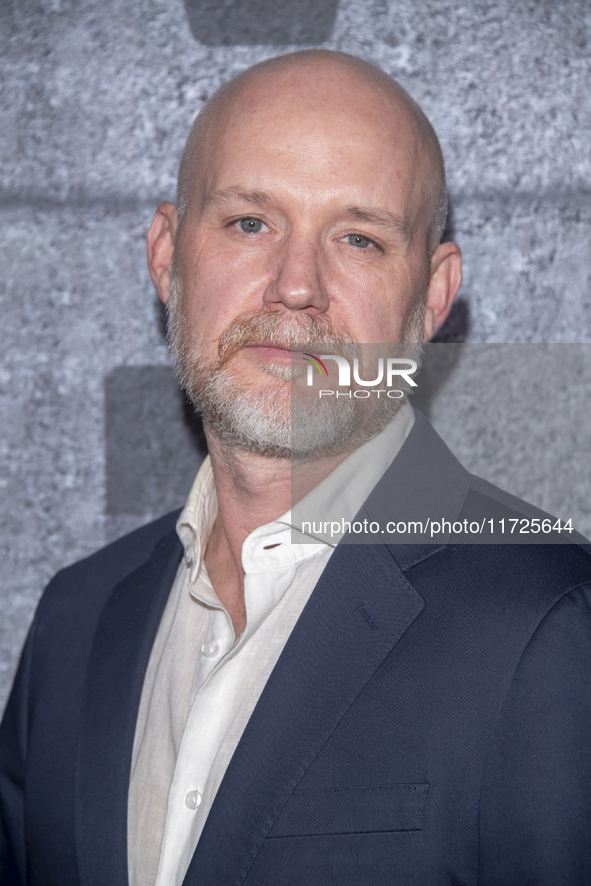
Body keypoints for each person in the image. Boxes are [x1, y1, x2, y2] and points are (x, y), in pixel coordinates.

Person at [1, 49, 590, 886]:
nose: (296, 287)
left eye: (357, 237)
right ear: (168, 257)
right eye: (250, 222)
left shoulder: (551, 626)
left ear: (430, 296)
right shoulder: (75, 620)